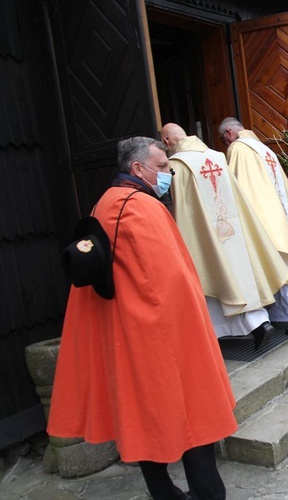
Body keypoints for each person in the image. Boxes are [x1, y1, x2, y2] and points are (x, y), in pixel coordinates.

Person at [49, 137, 238, 500]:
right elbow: (172, 280)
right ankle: (208, 493)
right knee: (193, 414)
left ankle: (165, 493)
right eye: (163, 166)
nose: (167, 173)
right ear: (138, 169)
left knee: (143, 417)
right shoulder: (143, 207)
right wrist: (194, 332)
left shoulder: (105, 201)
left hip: (124, 332)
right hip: (159, 335)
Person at [161, 123, 288, 349]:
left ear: (166, 142)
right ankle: (259, 322)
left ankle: (222, 334)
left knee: (213, 277)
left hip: (204, 234)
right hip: (234, 229)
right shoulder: (217, 157)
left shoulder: (177, 165)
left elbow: (181, 209)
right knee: (241, 271)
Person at [220, 117, 288, 335]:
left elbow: (237, 187)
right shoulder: (262, 148)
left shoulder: (238, 149)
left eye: (223, 139)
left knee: (278, 266)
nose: (226, 144)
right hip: (280, 215)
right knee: (284, 264)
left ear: (229, 133)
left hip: (263, 216)